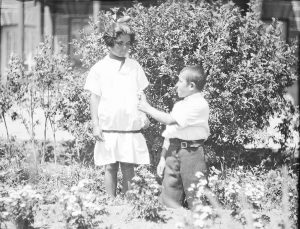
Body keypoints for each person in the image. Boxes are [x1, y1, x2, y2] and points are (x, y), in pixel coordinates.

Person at [84, 16, 150, 198]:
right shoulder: (100, 68)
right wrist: (95, 124)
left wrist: (145, 115)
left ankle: (129, 204)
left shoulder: (134, 66)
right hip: (109, 124)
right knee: (110, 165)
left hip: (129, 124)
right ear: (109, 43)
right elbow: (94, 98)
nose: (124, 48)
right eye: (119, 43)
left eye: (128, 44)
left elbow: (140, 93)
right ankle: (111, 202)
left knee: (129, 164)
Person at [138, 65, 209, 209]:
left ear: (191, 86)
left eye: (180, 81)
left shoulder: (200, 104)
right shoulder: (179, 105)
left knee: (196, 199)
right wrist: (163, 157)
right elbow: (170, 133)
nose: (176, 85)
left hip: (192, 154)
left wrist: (146, 107)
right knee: (169, 200)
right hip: (173, 152)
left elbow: (169, 120)